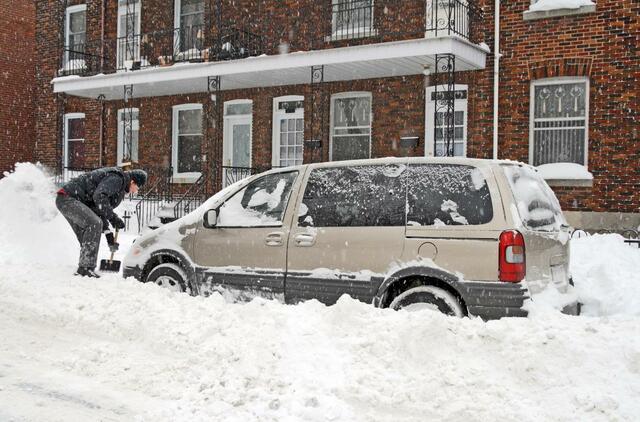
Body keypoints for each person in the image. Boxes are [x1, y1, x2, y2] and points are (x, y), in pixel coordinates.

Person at [56, 167, 147, 278]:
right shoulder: (117, 179)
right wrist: (113, 218)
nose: (136, 191)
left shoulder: (119, 186)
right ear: (132, 181)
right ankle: (85, 269)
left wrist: (108, 233)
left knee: (88, 237)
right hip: (68, 198)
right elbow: (99, 197)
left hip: (70, 200)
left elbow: (97, 208)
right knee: (94, 224)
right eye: (137, 187)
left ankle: (85, 269)